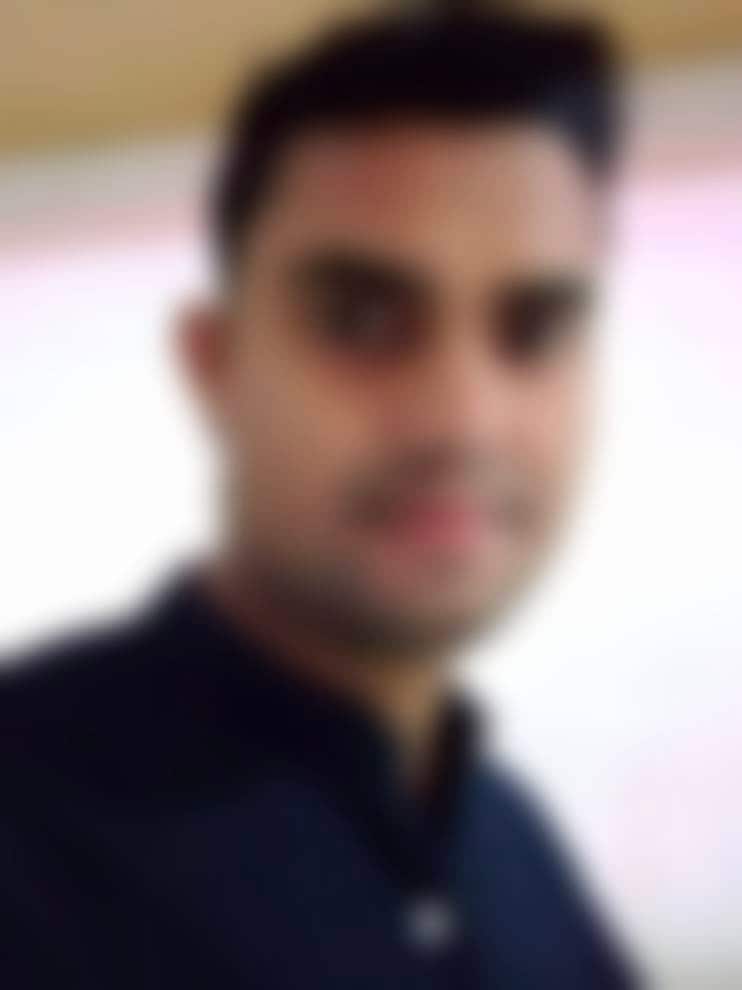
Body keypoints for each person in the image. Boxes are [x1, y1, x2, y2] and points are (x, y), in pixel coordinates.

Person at [1, 4, 640, 987]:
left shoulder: (516, 852)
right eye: (363, 318)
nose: (461, 417)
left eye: (534, 328)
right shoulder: (30, 839)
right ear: (215, 364)